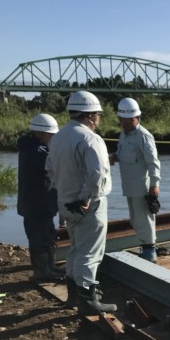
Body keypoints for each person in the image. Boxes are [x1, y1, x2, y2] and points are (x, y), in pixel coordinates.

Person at [45, 91, 117, 315]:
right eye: (98, 115)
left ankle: (73, 295)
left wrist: (65, 195)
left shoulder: (58, 137)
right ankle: (88, 300)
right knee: (90, 252)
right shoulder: (90, 138)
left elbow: (49, 169)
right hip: (88, 204)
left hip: (65, 202)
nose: (98, 120)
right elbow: (97, 175)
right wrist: (85, 198)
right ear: (91, 115)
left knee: (75, 248)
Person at [110, 97, 161, 262]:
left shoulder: (144, 136)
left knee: (144, 218)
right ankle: (144, 245)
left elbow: (153, 162)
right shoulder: (123, 136)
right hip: (129, 185)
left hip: (141, 186)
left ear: (136, 118)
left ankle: (150, 250)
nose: (125, 122)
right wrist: (114, 157)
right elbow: (124, 154)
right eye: (122, 119)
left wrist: (154, 184)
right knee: (135, 218)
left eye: (128, 119)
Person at [17, 114, 64, 282]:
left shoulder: (32, 148)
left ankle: (49, 266)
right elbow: (55, 166)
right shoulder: (37, 151)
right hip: (37, 204)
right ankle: (42, 271)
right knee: (39, 238)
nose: (53, 138)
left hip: (37, 204)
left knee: (48, 235)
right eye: (51, 135)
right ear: (40, 133)